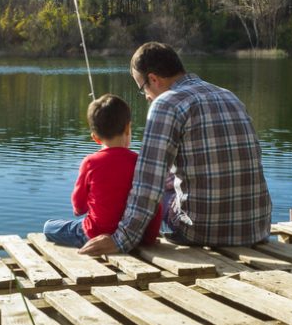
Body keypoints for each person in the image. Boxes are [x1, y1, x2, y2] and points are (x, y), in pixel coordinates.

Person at [79, 42, 272, 255]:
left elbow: (148, 184)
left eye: (142, 88)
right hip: (256, 228)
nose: (146, 96)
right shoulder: (229, 96)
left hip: (201, 231)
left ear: (153, 79)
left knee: (142, 185)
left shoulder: (166, 104)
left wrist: (121, 239)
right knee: (168, 179)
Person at [43, 94, 162, 248]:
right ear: (127, 128)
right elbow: (155, 204)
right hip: (136, 236)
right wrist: (149, 237)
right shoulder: (141, 162)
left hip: (95, 234)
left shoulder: (90, 162)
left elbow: (79, 207)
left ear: (95, 138)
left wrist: (84, 208)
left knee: (49, 226)